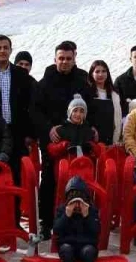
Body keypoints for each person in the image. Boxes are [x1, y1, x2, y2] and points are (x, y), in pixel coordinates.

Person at [36, 41, 94, 233]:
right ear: (55, 59)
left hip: (78, 135)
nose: (65, 62)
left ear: (74, 58)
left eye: (69, 58)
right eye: (61, 58)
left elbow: (90, 107)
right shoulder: (45, 82)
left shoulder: (82, 80)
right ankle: (47, 221)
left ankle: (80, 218)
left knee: (80, 179)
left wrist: (90, 127)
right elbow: (35, 110)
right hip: (54, 138)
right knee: (51, 179)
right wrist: (48, 128)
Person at [0, 34, 39, 173]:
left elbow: (30, 105)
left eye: (5, 47)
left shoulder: (21, 74)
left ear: (10, 50)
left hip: (17, 131)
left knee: (17, 175)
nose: (2, 51)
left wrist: (30, 133)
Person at [54, 175, 101, 262]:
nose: (77, 205)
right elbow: (57, 230)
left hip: (86, 246)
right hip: (68, 247)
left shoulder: (91, 211)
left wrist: (87, 216)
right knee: (66, 249)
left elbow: (96, 231)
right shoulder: (62, 210)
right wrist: (67, 215)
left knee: (89, 250)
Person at [86, 60, 123, 145]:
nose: (100, 74)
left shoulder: (115, 94)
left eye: (103, 71)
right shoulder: (87, 93)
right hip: (92, 139)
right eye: (97, 71)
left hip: (110, 139)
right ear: (92, 74)